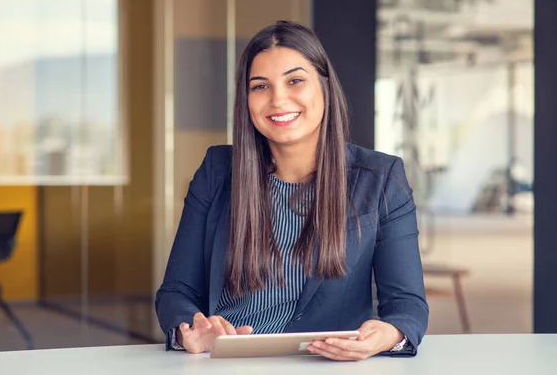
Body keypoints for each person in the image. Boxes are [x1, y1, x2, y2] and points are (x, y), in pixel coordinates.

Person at [155, 20, 428, 361]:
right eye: (260, 86)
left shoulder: (382, 178)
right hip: (228, 364)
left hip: (328, 365)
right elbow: (176, 292)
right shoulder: (217, 170)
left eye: (295, 80)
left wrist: (389, 333)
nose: (278, 99)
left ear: (325, 86)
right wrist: (190, 331)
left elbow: (407, 305)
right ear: (246, 99)